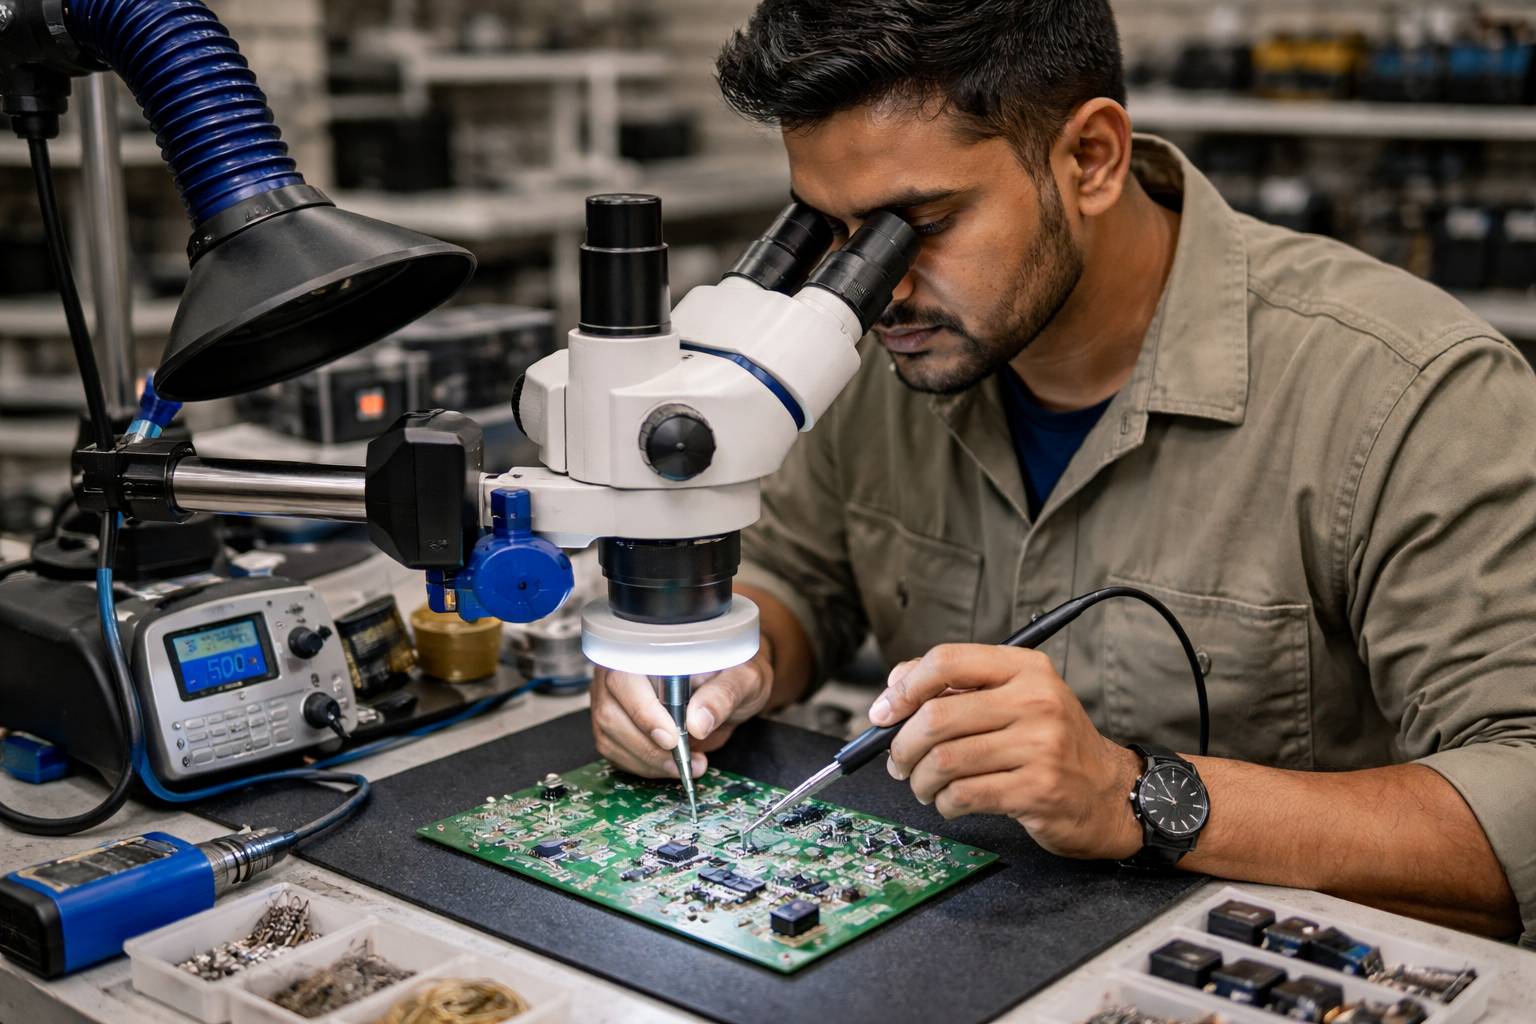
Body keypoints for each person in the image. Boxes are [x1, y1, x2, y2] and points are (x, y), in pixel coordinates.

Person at [589, 0, 1536, 945]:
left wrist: (1136, 796)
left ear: (1090, 159)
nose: (875, 290)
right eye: (832, 233)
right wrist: (718, 664)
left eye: (918, 223)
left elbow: (1520, 799)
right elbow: (800, 575)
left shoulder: (1406, 394)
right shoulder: (873, 356)